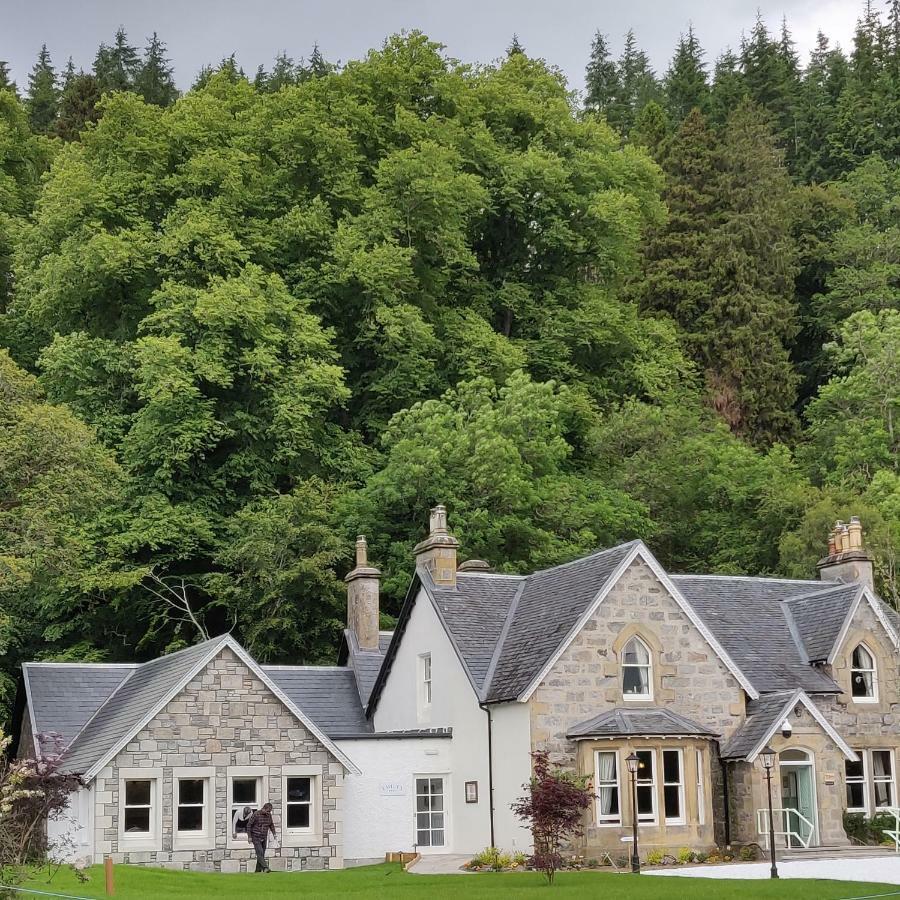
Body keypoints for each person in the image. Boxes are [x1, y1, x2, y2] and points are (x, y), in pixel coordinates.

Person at [247, 802, 277, 873]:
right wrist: (249, 837)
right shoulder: (256, 814)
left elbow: (271, 825)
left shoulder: (269, 815)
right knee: (259, 852)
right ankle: (265, 868)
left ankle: (257, 871)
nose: (268, 812)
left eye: (269, 811)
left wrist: (274, 834)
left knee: (261, 854)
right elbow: (249, 825)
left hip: (264, 836)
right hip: (255, 836)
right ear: (263, 808)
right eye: (268, 811)